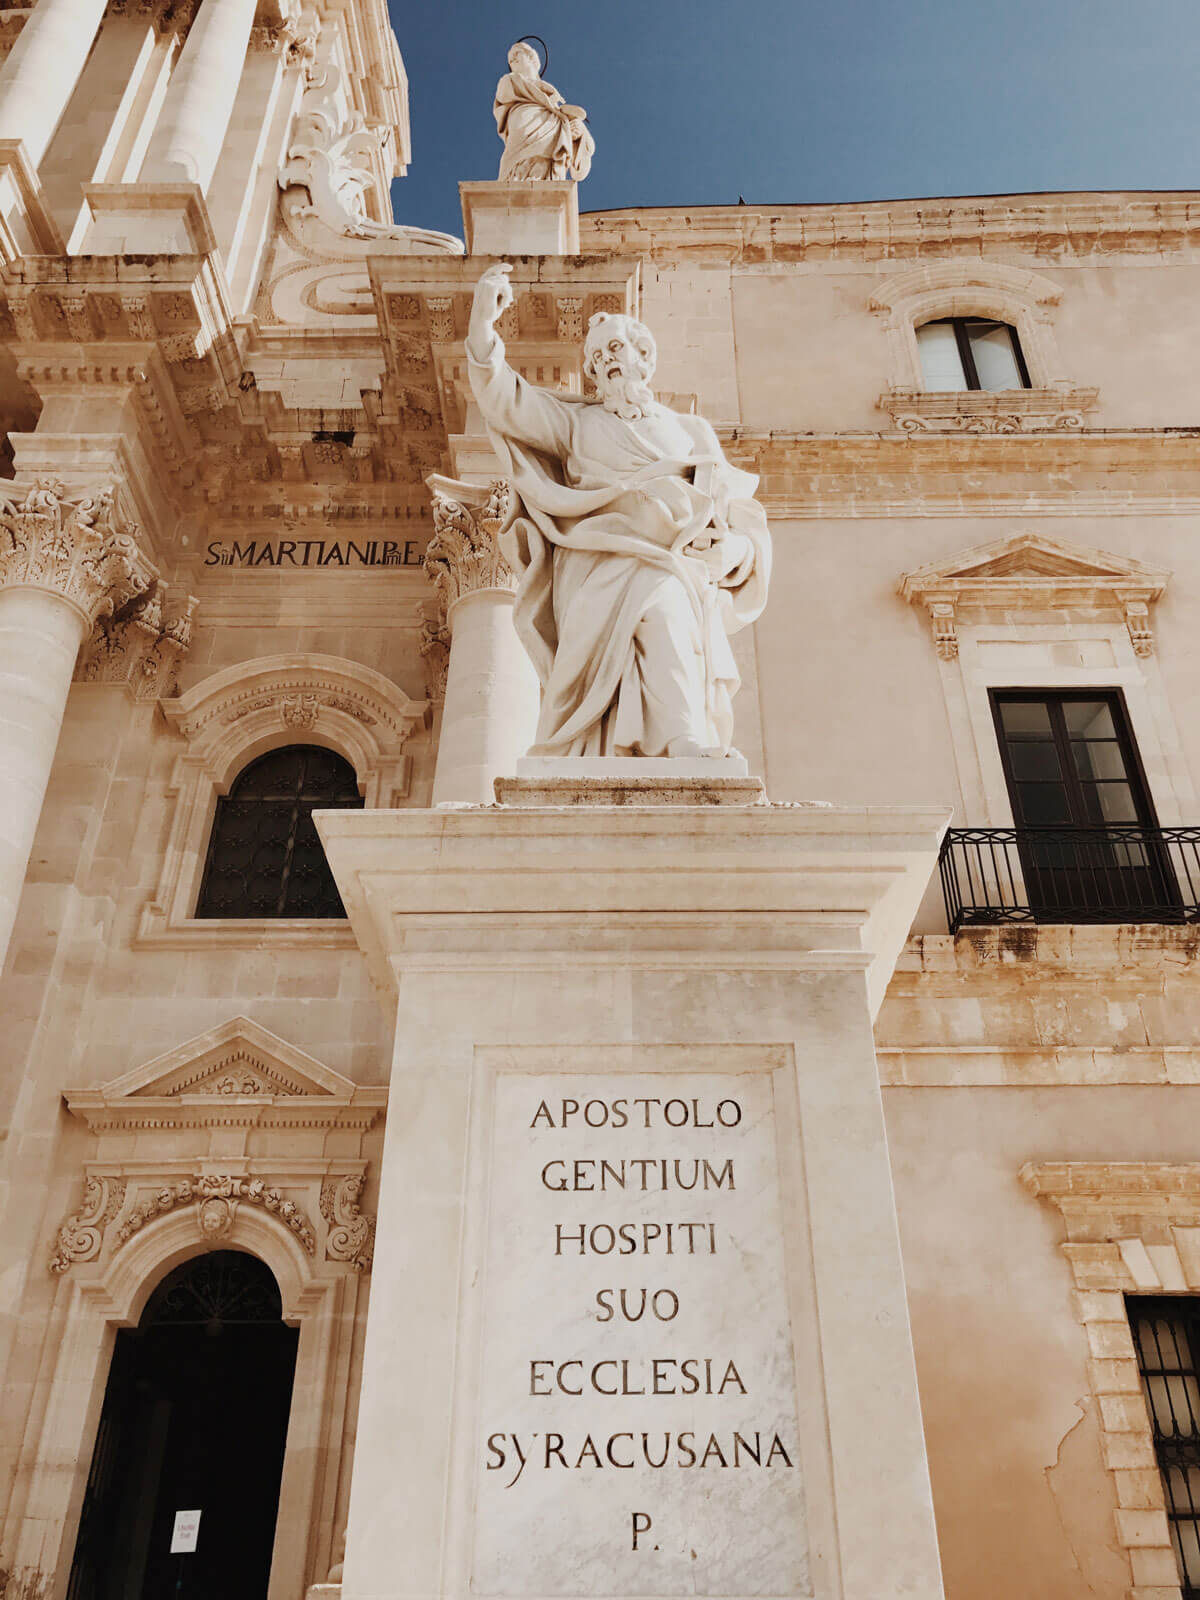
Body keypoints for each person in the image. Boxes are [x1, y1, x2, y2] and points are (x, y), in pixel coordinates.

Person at [467, 262, 772, 760]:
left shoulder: (691, 431)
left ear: (643, 357)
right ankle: (614, 744)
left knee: (666, 609)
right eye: (595, 357)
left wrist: (732, 550)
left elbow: (735, 514)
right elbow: (508, 401)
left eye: (615, 349)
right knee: (627, 625)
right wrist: (482, 328)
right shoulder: (575, 423)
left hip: (670, 559)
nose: (605, 361)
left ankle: (681, 739)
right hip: (594, 561)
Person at [493, 41, 594, 183]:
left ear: (531, 57)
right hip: (524, 117)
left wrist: (575, 131)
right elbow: (505, 94)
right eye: (510, 60)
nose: (512, 60)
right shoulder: (509, 80)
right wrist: (557, 111)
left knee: (546, 163)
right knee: (518, 158)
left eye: (517, 54)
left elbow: (585, 143)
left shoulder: (552, 94)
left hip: (549, 122)